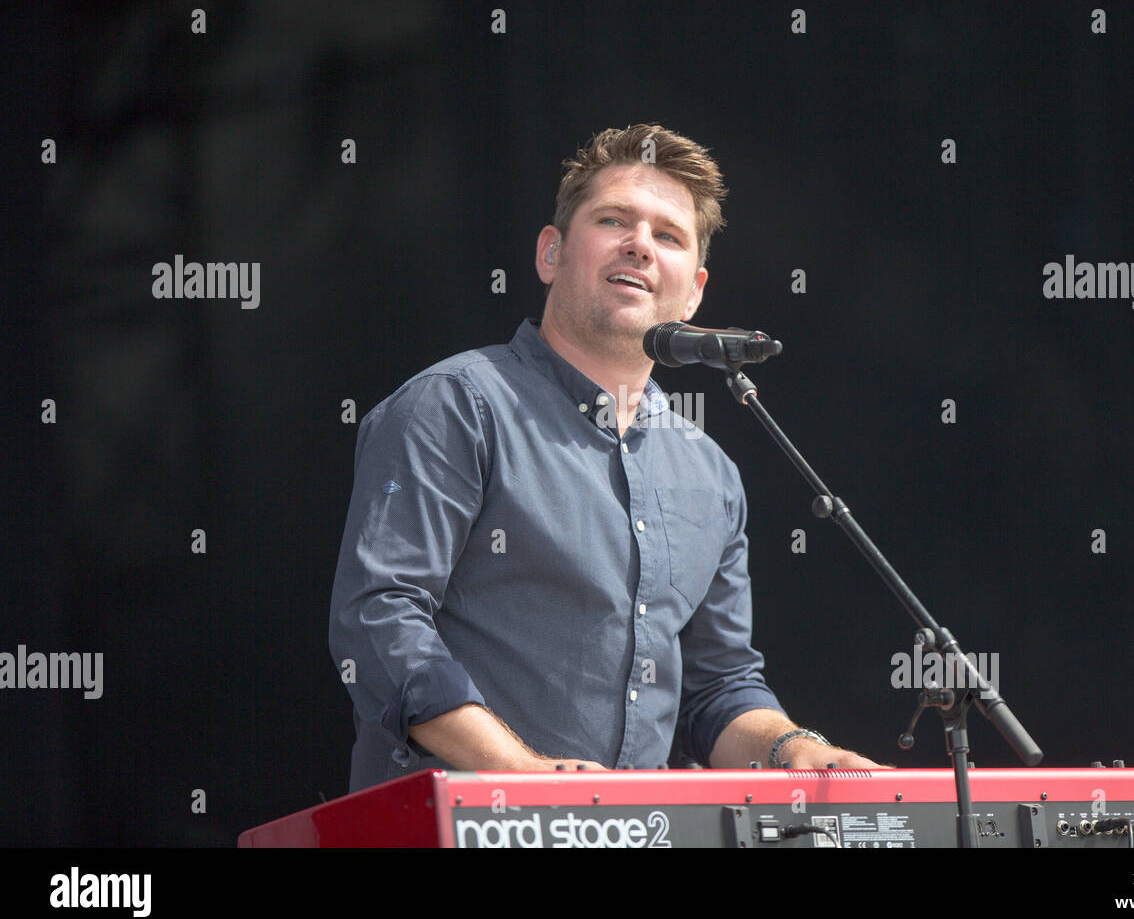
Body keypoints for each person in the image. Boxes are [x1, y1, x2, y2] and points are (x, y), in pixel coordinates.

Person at [329, 124, 881, 792]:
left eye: (668, 236)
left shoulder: (711, 475)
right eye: (614, 219)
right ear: (551, 253)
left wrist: (794, 747)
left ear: (695, 292)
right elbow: (380, 614)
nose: (640, 244)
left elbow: (717, 689)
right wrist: (519, 774)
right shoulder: (454, 407)